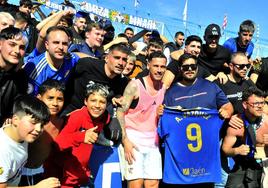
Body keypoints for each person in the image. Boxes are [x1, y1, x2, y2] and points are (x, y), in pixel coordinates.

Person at [159, 53, 233, 187]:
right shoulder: (171, 92)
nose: (189, 69)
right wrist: (160, 113)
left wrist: (226, 111)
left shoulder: (210, 86)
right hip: (181, 158)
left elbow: (228, 106)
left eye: (193, 66)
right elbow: (164, 118)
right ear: (180, 69)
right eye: (185, 67)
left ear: (197, 68)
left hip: (206, 157)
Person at [117, 52, 167, 188]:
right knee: (135, 184)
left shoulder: (164, 88)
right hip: (133, 140)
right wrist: (125, 140)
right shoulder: (135, 85)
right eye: (156, 65)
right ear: (148, 65)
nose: (159, 70)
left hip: (153, 142)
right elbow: (120, 112)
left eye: (162, 67)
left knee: (153, 184)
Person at [55, 82, 111, 187]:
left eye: (102, 102)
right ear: (85, 101)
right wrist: (81, 136)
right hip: (65, 180)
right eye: (93, 101)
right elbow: (58, 143)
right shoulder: (77, 117)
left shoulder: (103, 118)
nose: (97, 106)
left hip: (82, 177)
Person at [0, 96, 61, 187]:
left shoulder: (20, 134)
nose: (38, 129)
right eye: (33, 122)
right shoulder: (3, 152)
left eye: (42, 125)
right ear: (15, 119)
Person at [19, 80, 66, 186]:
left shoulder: (63, 123)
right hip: (18, 173)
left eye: (59, 99)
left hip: (40, 173)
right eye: (50, 98)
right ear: (39, 98)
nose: (55, 103)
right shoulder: (27, 120)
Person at [63, 43, 130, 116]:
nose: (120, 63)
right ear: (106, 58)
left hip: (94, 118)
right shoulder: (88, 65)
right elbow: (72, 56)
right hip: (71, 111)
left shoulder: (121, 81)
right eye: (117, 58)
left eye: (124, 59)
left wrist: (117, 97)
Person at [222, 87, 268, 188]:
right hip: (243, 164)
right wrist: (236, 150)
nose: (260, 106)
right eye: (256, 104)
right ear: (245, 105)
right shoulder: (236, 124)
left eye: (262, 103)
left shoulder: (267, 121)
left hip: (265, 163)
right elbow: (225, 149)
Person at [23, 26, 82, 96]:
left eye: (65, 44)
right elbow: (29, 101)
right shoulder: (36, 69)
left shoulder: (69, 58)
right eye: (56, 43)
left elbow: (78, 55)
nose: (61, 47)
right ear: (47, 45)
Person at [0, 26, 28, 125]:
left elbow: (18, 106)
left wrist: (11, 117)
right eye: (12, 44)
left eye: (21, 47)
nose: (17, 51)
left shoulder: (21, 77)